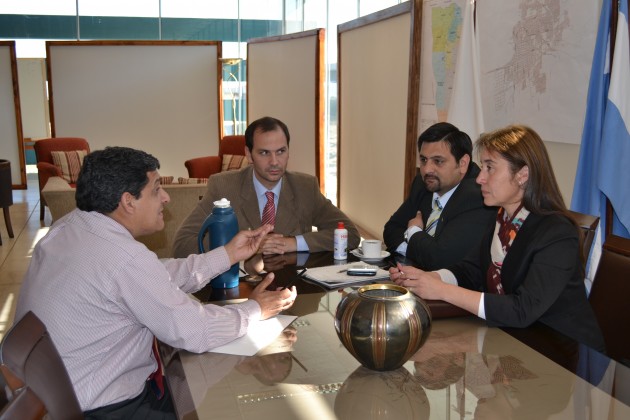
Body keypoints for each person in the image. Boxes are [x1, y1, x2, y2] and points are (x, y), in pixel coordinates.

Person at [15, 147, 297, 417]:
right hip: (107, 410)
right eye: (156, 189)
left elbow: (152, 276)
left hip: (62, 394)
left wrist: (228, 254)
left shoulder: (70, 227)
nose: (166, 198)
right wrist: (255, 309)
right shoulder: (123, 258)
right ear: (128, 201)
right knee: (230, 402)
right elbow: (194, 331)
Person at [390, 125, 605, 352]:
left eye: (490, 168)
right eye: (482, 167)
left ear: (523, 175)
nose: (480, 178)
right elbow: (470, 271)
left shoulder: (557, 233)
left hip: (566, 355)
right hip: (514, 344)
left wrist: (441, 290)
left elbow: (522, 309)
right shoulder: (502, 219)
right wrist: (426, 278)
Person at [173, 116, 361, 257]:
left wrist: (294, 243)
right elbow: (182, 244)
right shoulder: (223, 186)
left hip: (294, 291)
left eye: (281, 151)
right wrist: (236, 248)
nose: (274, 162)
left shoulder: (305, 187)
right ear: (249, 154)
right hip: (241, 292)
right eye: (264, 153)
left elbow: (351, 235)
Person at [383, 122, 495, 270]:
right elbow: (391, 229)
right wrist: (414, 251)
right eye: (423, 160)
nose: (427, 169)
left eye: (438, 161)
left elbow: (438, 258)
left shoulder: (477, 196)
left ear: (462, 163)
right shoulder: (422, 184)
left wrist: (413, 231)